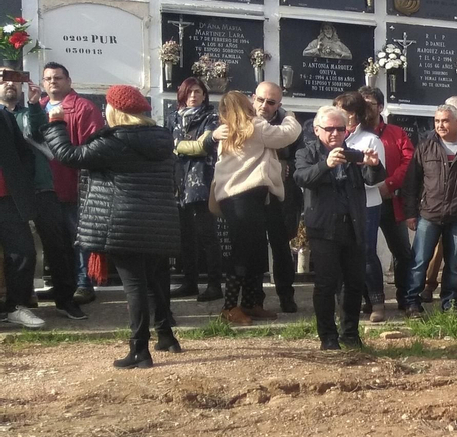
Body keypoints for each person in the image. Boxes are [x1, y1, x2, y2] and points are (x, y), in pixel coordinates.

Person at [44, 86, 181, 366]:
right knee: (154, 283)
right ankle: (166, 336)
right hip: (157, 224)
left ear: (116, 111)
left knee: (134, 287)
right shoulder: (162, 140)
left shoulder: (116, 142)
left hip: (124, 224)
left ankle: (139, 350)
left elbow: (70, 156)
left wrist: (56, 124)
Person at [294, 105, 384, 350]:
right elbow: (302, 178)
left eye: (340, 129)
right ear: (316, 130)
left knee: (354, 283)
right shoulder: (307, 153)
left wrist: (373, 164)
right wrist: (327, 164)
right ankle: (328, 337)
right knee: (325, 283)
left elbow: (374, 179)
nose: (335, 134)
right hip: (323, 228)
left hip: (353, 225)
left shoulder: (351, 153)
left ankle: (351, 334)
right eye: (329, 129)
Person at [211, 90, 301, 327]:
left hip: (235, 199)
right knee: (242, 254)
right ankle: (230, 307)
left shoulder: (226, 130)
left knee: (254, 252)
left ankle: (251, 303)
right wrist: (289, 115)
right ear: (247, 106)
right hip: (245, 198)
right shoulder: (255, 127)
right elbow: (288, 134)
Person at [1, 74, 80, 320]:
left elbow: (37, 134)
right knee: (20, 249)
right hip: (12, 194)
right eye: (2, 79)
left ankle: (64, 300)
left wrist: (35, 104)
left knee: (54, 245)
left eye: (13, 79)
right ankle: (19, 302)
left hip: (39, 188)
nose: (9, 83)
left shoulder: (31, 111)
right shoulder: (3, 115)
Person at [401, 105, 457, 315]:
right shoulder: (425, 147)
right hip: (428, 215)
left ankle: (449, 303)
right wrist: (411, 213)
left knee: (453, 263)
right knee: (419, 261)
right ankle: (412, 301)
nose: (440, 125)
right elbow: (411, 183)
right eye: (437, 121)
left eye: (445, 121)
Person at [37, 61, 105, 304]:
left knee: (79, 239)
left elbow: (94, 148)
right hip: (45, 187)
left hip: (74, 185)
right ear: (43, 83)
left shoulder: (84, 108)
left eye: (58, 78)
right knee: (56, 242)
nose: (53, 82)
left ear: (68, 81)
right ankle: (61, 286)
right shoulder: (39, 107)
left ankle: (84, 285)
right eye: (48, 78)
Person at [333, 91, 388, 322]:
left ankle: (377, 303)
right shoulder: (335, 137)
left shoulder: (370, 140)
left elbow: (378, 178)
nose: (337, 115)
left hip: (366, 204)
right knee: (343, 254)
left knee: (365, 253)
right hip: (341, 203)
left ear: (353, 116)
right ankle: (348, 304)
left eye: (341, 111)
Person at [169, 79, 222, 301]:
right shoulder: (173, 117)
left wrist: (177, 145)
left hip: (201, 181)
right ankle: (189, 282)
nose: (193, 96)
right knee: (185, 236)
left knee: (207, 235)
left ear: (204, 95)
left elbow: (204, 146)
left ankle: (214, 285)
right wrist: (179, 145)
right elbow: (166, 143)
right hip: (179, 182)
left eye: (197, 92)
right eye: (189, 92)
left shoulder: (212, 117)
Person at [364, 85, 414, 308]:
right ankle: (371, 299)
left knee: (402, 252)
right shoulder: (353, 134)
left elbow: (409, 162)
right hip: (365, 203)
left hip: (391, 202)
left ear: (380, 107)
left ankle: (404, 297)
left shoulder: (397, 133)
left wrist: (389, 183)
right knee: (366, 251)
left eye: (369, 104)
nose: (364, 108)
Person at [0, 84, 44, 329]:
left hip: (8, 199)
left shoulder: (4, 116)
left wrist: (23, 180)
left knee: (24, 252)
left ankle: (16, 307)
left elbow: (24, 153)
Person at [254, 81, 300, 313]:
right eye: (261, 99)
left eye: (271, 102)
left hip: (279, 192)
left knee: (281, 246)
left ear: (279, 104)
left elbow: (299, 153)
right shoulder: (242, 120)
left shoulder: (287, 123)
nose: (264, 105)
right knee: (253, 246)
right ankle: (255, 299)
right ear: (253, 98)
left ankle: (286, 295)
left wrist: (288, 166)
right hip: (251, 192)